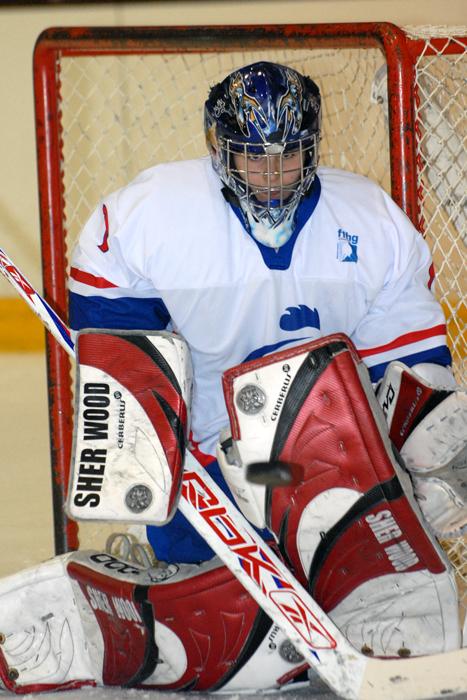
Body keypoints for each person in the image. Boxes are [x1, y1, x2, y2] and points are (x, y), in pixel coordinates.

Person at [0, 61, 464, 695]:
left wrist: (433, 465)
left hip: (326, 462)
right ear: (219, 149)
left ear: (314, 148)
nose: (272, 176)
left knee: (398, 472)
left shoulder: (372, 224)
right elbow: (117, 335)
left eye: (291, 155)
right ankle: (148, 588)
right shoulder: (154, 215)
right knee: (215, 631)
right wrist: (153, 434)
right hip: (210, 468)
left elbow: (411, 378)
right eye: (253, 157)